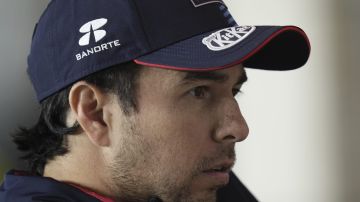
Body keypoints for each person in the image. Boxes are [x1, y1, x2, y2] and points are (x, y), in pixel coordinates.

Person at [0, 0, 310, 201]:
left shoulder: (192, 185)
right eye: (199, 91)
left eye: (234, 90)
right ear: (95, 113)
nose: (238, 128)